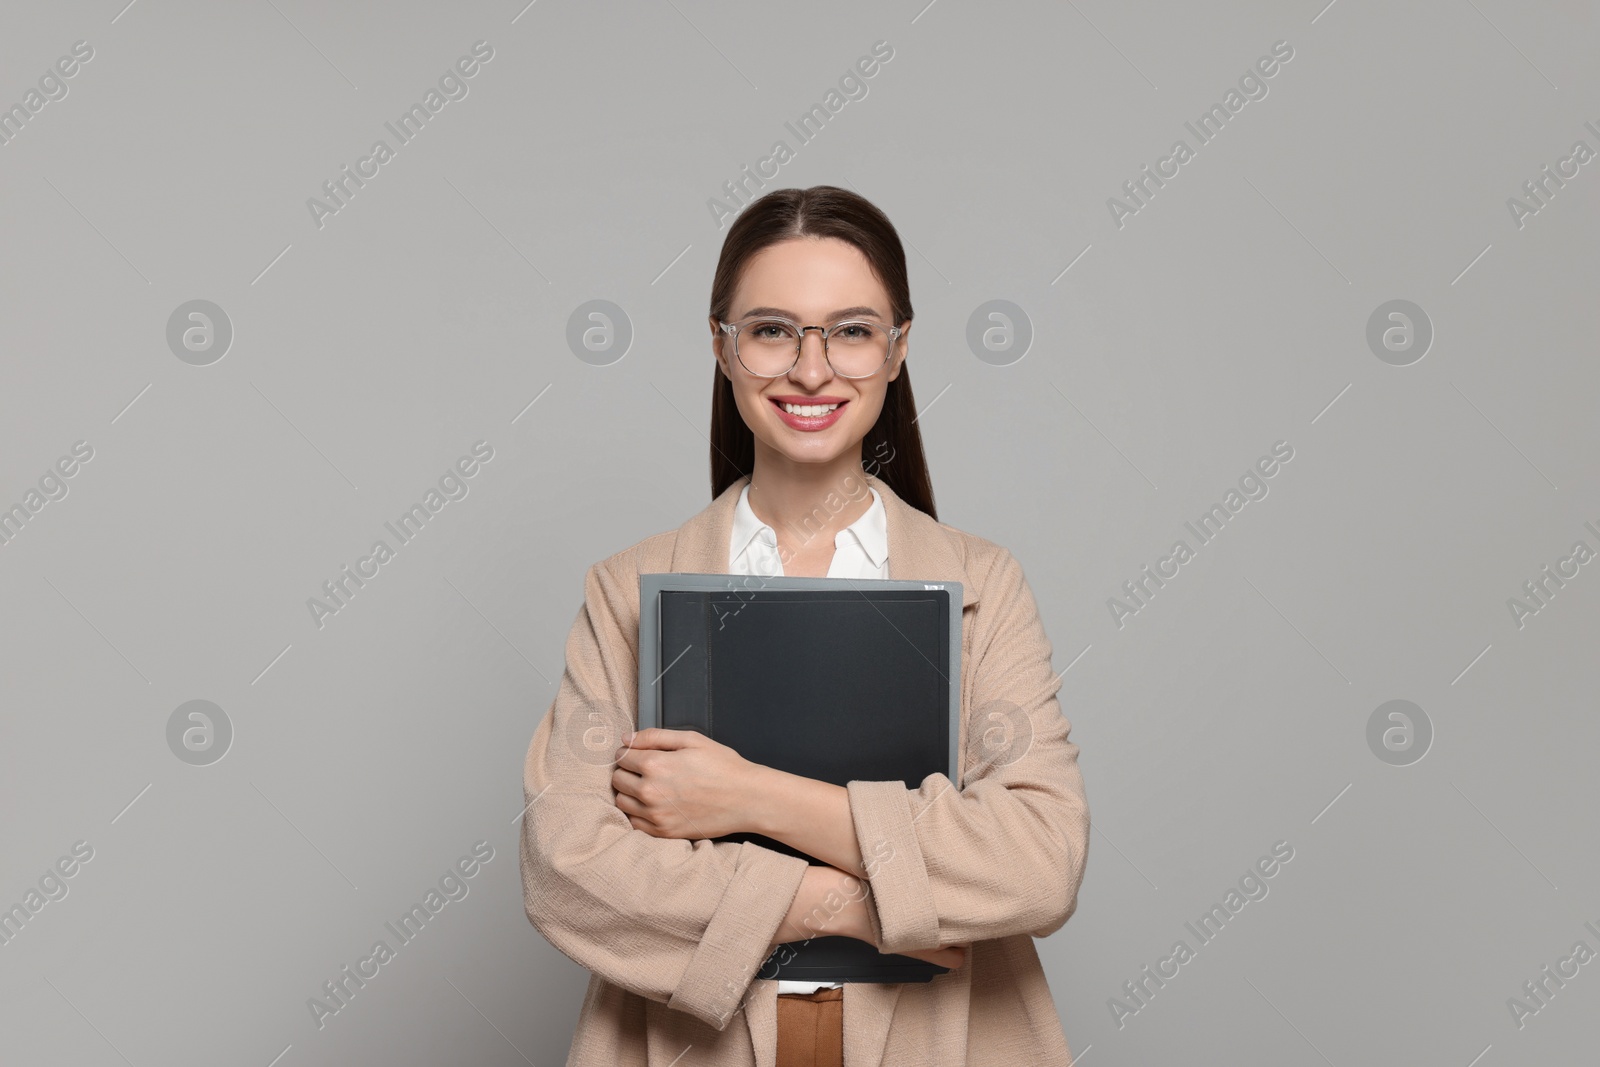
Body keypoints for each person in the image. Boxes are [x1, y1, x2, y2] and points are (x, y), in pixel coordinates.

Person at [520, 185, 1090, 1066]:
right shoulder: (630, 589)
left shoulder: (982, 584)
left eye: (853, 331)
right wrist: (847, 906)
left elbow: (1039, 859)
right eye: (772, 329)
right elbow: (568, 866)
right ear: (722, 345)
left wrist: (751, 795)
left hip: (945, 1040)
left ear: (898, 349)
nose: (812, 369)